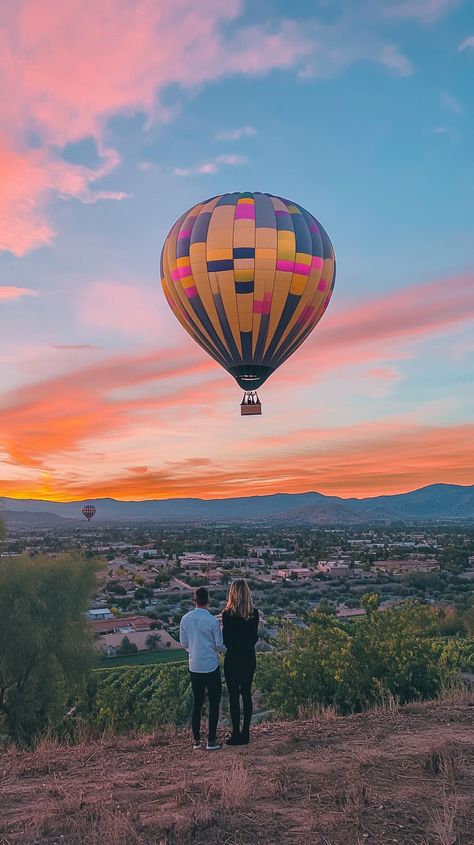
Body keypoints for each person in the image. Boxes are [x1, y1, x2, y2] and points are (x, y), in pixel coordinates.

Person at [179, 586, 224, 751]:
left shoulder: (185, 619)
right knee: (214, 703)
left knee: (197, 703)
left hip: (195, 666)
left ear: (194, 600)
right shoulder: (212, 620)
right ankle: (211, 740)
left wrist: (193, 651)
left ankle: (197, 741)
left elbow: (183, 643)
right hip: (211, 666)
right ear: (209, 600)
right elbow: (219, 645)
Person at [222, 579, 259, 746]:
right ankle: (246, 732)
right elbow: (254, 638)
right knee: (246, 694)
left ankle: (236, 733)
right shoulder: (254, 614)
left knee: (233, 696)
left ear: (232, 594)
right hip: (249, 659)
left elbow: (226, 640)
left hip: (233, 659)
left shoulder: (227, 615)